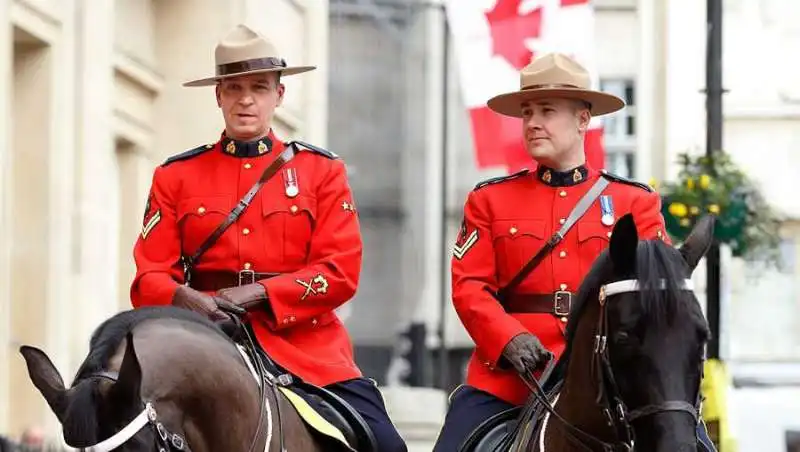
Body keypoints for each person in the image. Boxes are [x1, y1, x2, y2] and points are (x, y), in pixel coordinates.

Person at [130, 24, 406, 452]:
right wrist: (185, 299)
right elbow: (148, 277)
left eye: (259, 87)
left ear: (279, 95)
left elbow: (340, 272)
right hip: (204, 339)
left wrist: (258, 294)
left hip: (307, 347)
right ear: (217, 94)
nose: (245, 99)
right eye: (234, 87)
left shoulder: (322, 172)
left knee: (386, 445)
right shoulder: (175, 176)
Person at [433, 53, 716, 451]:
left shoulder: (633, 202)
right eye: (527, 112)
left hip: (612, 375)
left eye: (546, 111)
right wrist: (508, 338)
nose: (532, 123)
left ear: (583, 119)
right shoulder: (490, 200)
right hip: (511, 379)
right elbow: (470, 288)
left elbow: (658, 297)